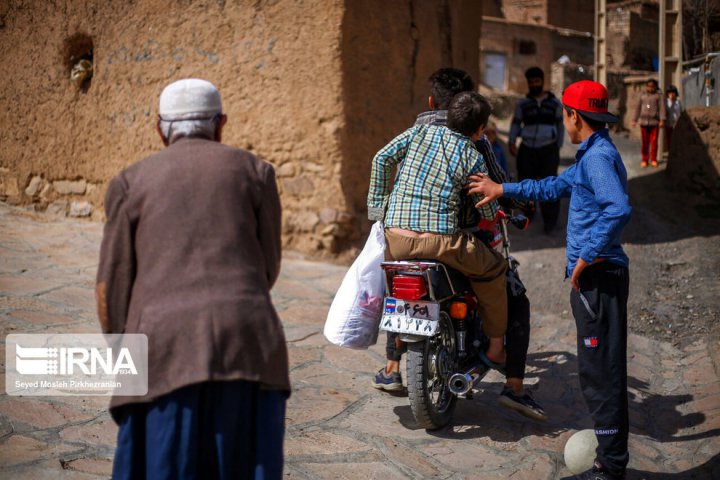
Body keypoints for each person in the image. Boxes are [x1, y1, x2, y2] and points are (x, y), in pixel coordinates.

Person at [96, 78, 290, 479]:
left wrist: (124, 352)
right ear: (220, 124)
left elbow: (111, 287)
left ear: (159, 129)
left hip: (162, 348)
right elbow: (268, 267)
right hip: (248, 344)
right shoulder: (257, 172)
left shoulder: (131, 182)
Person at [467, 80, 632, 480]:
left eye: (565, 115)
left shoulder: (597, 158)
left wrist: (586, 257)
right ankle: (610, 460)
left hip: (599, 277)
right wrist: (502, 187)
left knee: (600, 373)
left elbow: (618, 208)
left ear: (573, 116)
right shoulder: (593, 153)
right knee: (600, 369)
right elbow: (551, 186)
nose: (564, 121)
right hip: (598, 277)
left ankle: (609, 467)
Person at [371, 68, 546, 422]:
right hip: (443, 242)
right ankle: (496, 349)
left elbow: (380, 158)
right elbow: (490, 200)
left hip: (396, 238)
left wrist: (378, 207)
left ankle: (394, 360)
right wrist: (505, 210)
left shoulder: (416, 132)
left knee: (396, 282)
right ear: (481, 129)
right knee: (496, 272)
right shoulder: (473, 152)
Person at [508, 66, 564, 233]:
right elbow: (516, 123)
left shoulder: (554, 104)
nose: (534, 85)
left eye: (537, 81)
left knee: (550, 185)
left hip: (548, 149)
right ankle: (528, 215)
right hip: (527, 149)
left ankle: (550, 222)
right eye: (531, 82)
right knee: (526, 184)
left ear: (542, 82)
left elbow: (560, 125)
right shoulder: (523, 104)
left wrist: (557, 145)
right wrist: (512, 140)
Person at [632, 78, 666, 168]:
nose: (650, 88)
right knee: (645, 142)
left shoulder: (658, 96)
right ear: (646, 86)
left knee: (654, 142)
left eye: (652, 86)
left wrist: (662, 120)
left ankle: (653, 159)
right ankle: (644, 159)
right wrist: (634, 119)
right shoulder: (642, 96)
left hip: (654, 123)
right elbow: (637, 108)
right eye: (648, 86)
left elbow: (662, 108)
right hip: (643, 123)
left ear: (655, 87)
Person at [665, 85, 682, 151]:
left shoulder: (678, 102)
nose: (671, 95)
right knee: (669, 139)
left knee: (677, 139)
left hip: (677, 124)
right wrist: (671, 102)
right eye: (670, 93)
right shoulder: (666, 102)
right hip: (669, 124)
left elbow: (680, 111)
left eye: (673, 93)